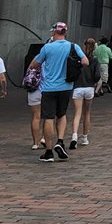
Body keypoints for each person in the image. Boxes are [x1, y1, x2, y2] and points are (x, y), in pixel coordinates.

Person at [34, 23, 87, 163]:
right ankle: (61, 141)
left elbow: (35, 64)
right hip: (66, 86)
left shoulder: (47, 47)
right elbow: (85, 62)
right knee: (62, 115)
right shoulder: (73, 46)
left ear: (54, 33)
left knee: (48, 118)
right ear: (65, 32)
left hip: (49, 87)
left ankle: (49, 151)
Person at [68, 38, 97, 149]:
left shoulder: (78, 58)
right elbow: (97, 75)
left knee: (77, 113)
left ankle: (74, 136)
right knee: (87, 113)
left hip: (78, 87)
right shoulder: (94, 60)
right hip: (89, 87)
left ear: (84, 46)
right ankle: (84, 137)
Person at [22, 41, 45, 150]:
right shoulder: (52, 59)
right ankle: (45, 138)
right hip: (47, 89)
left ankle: (35, 143)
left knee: (36, 116)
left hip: (34, 89)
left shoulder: (35, 58)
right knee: (48, 116)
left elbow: (28, 71)